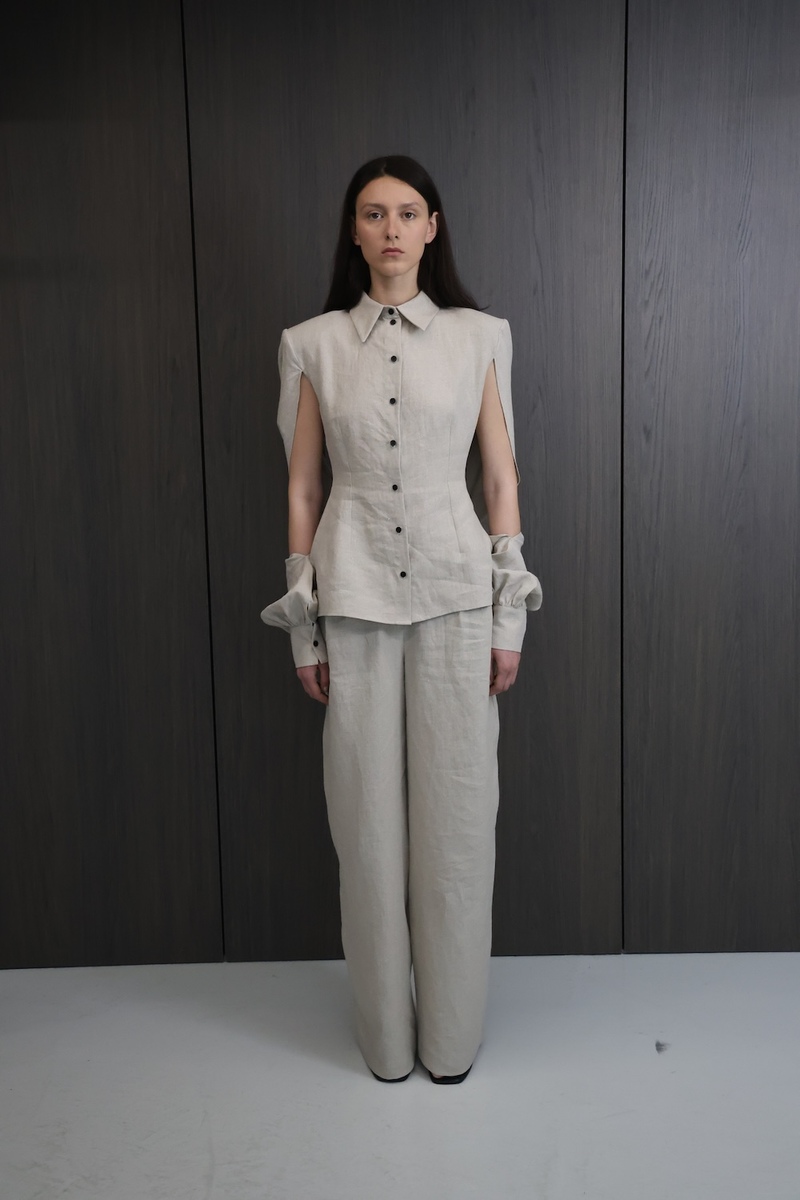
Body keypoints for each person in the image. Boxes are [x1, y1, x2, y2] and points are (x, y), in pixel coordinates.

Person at [261, 155, 542, 1085]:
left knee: (459, 825)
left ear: (432, 227)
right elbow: (303, 488)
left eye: (407, 212)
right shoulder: (311, 344)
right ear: (353, 230)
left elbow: (498, 477)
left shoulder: (479, 337)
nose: (391, 229)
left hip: (459, 596)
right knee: (367, 832)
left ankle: (450, 1040)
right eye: (373, 213)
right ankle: (385, 1040)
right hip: (352, 596)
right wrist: (303, 626)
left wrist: (509, 618)